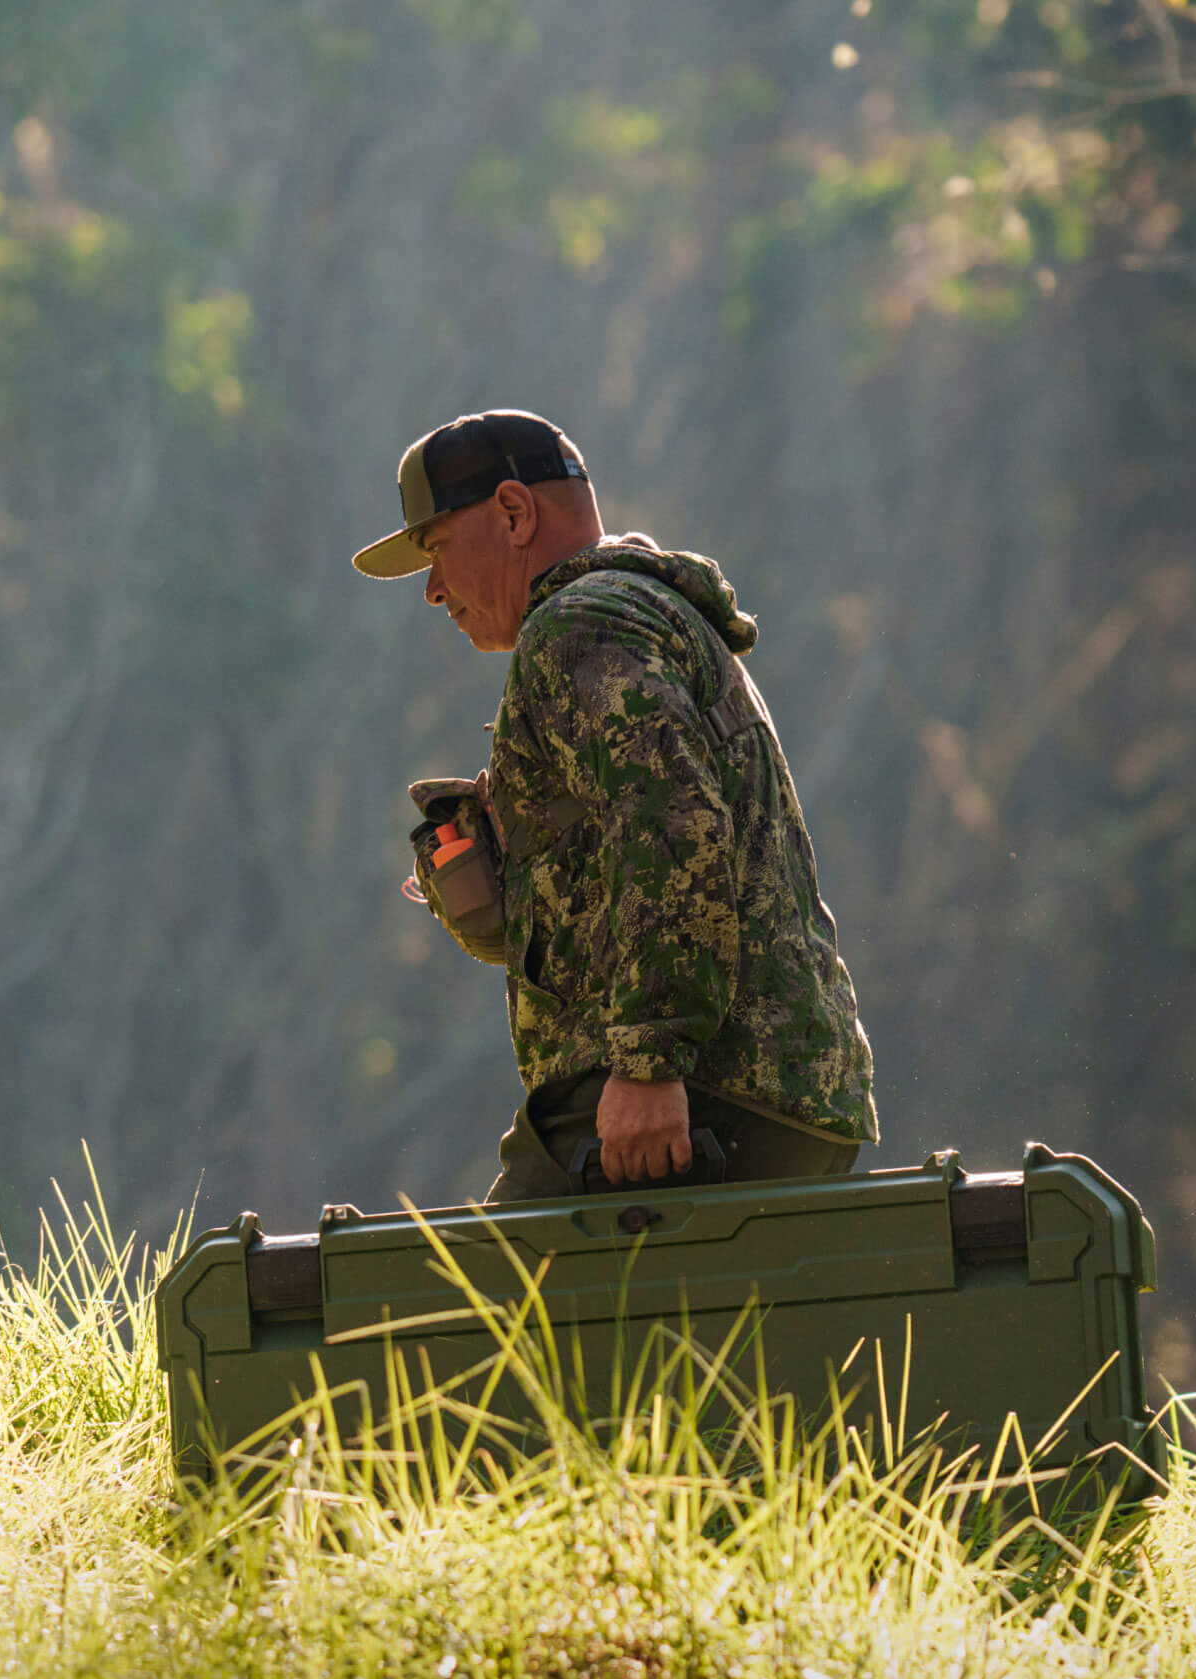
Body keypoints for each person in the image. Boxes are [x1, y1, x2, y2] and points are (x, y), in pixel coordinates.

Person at [353, 409, 877, 1199]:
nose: (432, 589)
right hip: (777, 1090)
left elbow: (670, 823)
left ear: (513, 513)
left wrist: (648, 1063)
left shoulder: (579, 626)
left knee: (455, 1284)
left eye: (436, 547)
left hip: (697, 1096)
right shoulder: (642, 616)